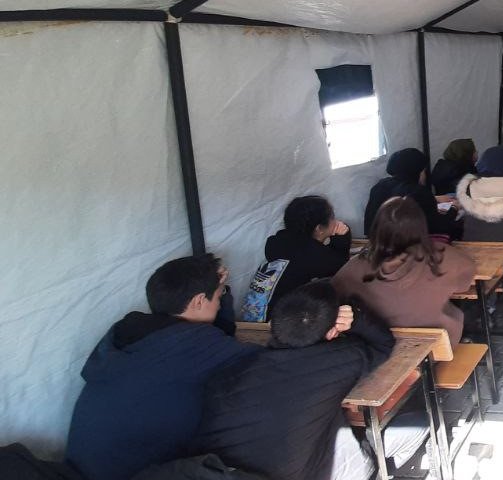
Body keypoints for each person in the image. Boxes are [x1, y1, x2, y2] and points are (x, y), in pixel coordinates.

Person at [65, 255, 257, 480]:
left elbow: (216, 337)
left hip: (83, 467)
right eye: (217, 297)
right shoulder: (192, 344)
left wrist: (219, 293)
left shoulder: (127, 331)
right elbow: (269, 362)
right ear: (198, 302)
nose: (219, 301)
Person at [191, 282, 397, 480]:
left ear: (273, 324)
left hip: (225, 472)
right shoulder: (338, 359)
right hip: (314, 472)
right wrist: (356, 318)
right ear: (333, 332)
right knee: (407, 428)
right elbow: (383, 344)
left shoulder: (228, 372)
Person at [333, 197, 477, 349]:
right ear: (421, 226)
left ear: (376, 228)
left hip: (379, 349)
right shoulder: (442, 255)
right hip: (436, 347)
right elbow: (464, 284)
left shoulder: (354, 267)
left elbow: (334, 296)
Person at [261, 195, 351, 319]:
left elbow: (317, 257)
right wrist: (342, 238)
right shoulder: (313, 255)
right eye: (332, 217)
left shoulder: (275, 242)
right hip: (283, 321)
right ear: (319, 228)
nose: (335, 221)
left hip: (259, 312)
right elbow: (340, 268)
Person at [364, 147, 460, 239]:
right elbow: (439, 227)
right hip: (405, 246)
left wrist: (433, 199)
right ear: (417, 171)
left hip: (377, 244)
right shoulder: (418, 192)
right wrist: (454, 208)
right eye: (423, 171)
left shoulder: (379, 186)